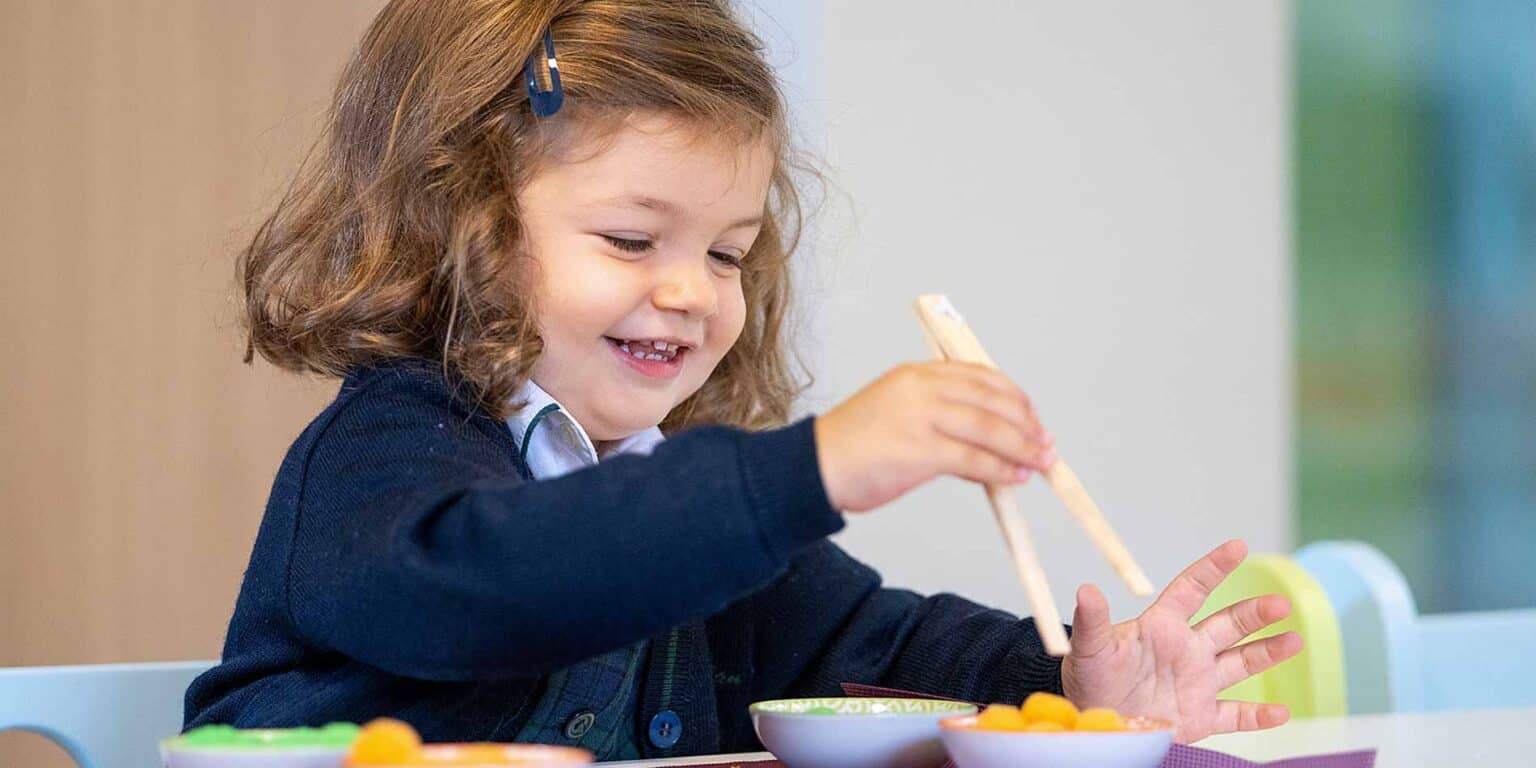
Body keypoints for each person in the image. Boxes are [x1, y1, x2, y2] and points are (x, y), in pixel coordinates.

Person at [184, 0, 1301, 756]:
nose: (692, 292)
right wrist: (804, 471)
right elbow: (500, 587)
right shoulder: (383, 451)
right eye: (632, 240)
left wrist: (1063, 684)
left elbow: (878, 644)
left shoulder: (683, 507)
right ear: (459, 226)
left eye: (726, 252)